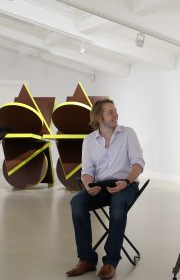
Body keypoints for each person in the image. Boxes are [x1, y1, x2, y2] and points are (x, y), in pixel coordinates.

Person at [66, 99, 145, 280]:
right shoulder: (89, 141)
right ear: (98, 116)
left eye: (115, 111)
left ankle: (110, 262)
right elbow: (87, 171)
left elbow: (138, 164)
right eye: (110, 112)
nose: (115, 114)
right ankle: (86, 259)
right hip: (100, 186)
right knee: (77, 202)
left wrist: (126, 181)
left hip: (126, 183)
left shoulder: (128, 134)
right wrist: (88, 185)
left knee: (118, 207)